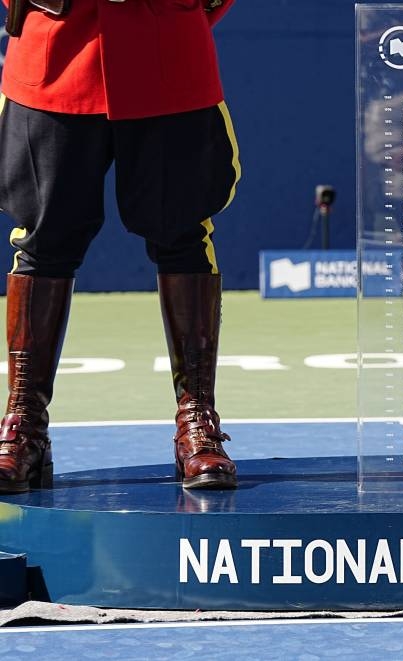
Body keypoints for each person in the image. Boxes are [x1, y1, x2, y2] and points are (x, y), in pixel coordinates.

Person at [0, 0, 241, 492]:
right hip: (55, 49)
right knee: (42, 242)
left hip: (167, 46)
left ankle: (195, 421)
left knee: (183, 237)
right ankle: (25, 424)